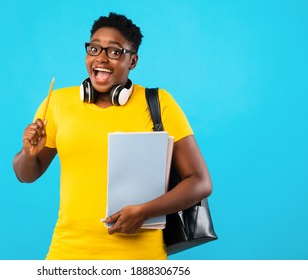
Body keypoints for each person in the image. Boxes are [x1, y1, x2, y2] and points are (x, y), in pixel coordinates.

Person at [13, 12, 212, 260]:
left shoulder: (159, 104)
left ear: (133, 61)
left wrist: (144, 211)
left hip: (141, 258)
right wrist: (27, 153)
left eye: (115, 52)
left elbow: (200, 182)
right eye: (94, 49)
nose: (101, 59)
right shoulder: (58, 103)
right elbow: (26, 175)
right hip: (68, 253)